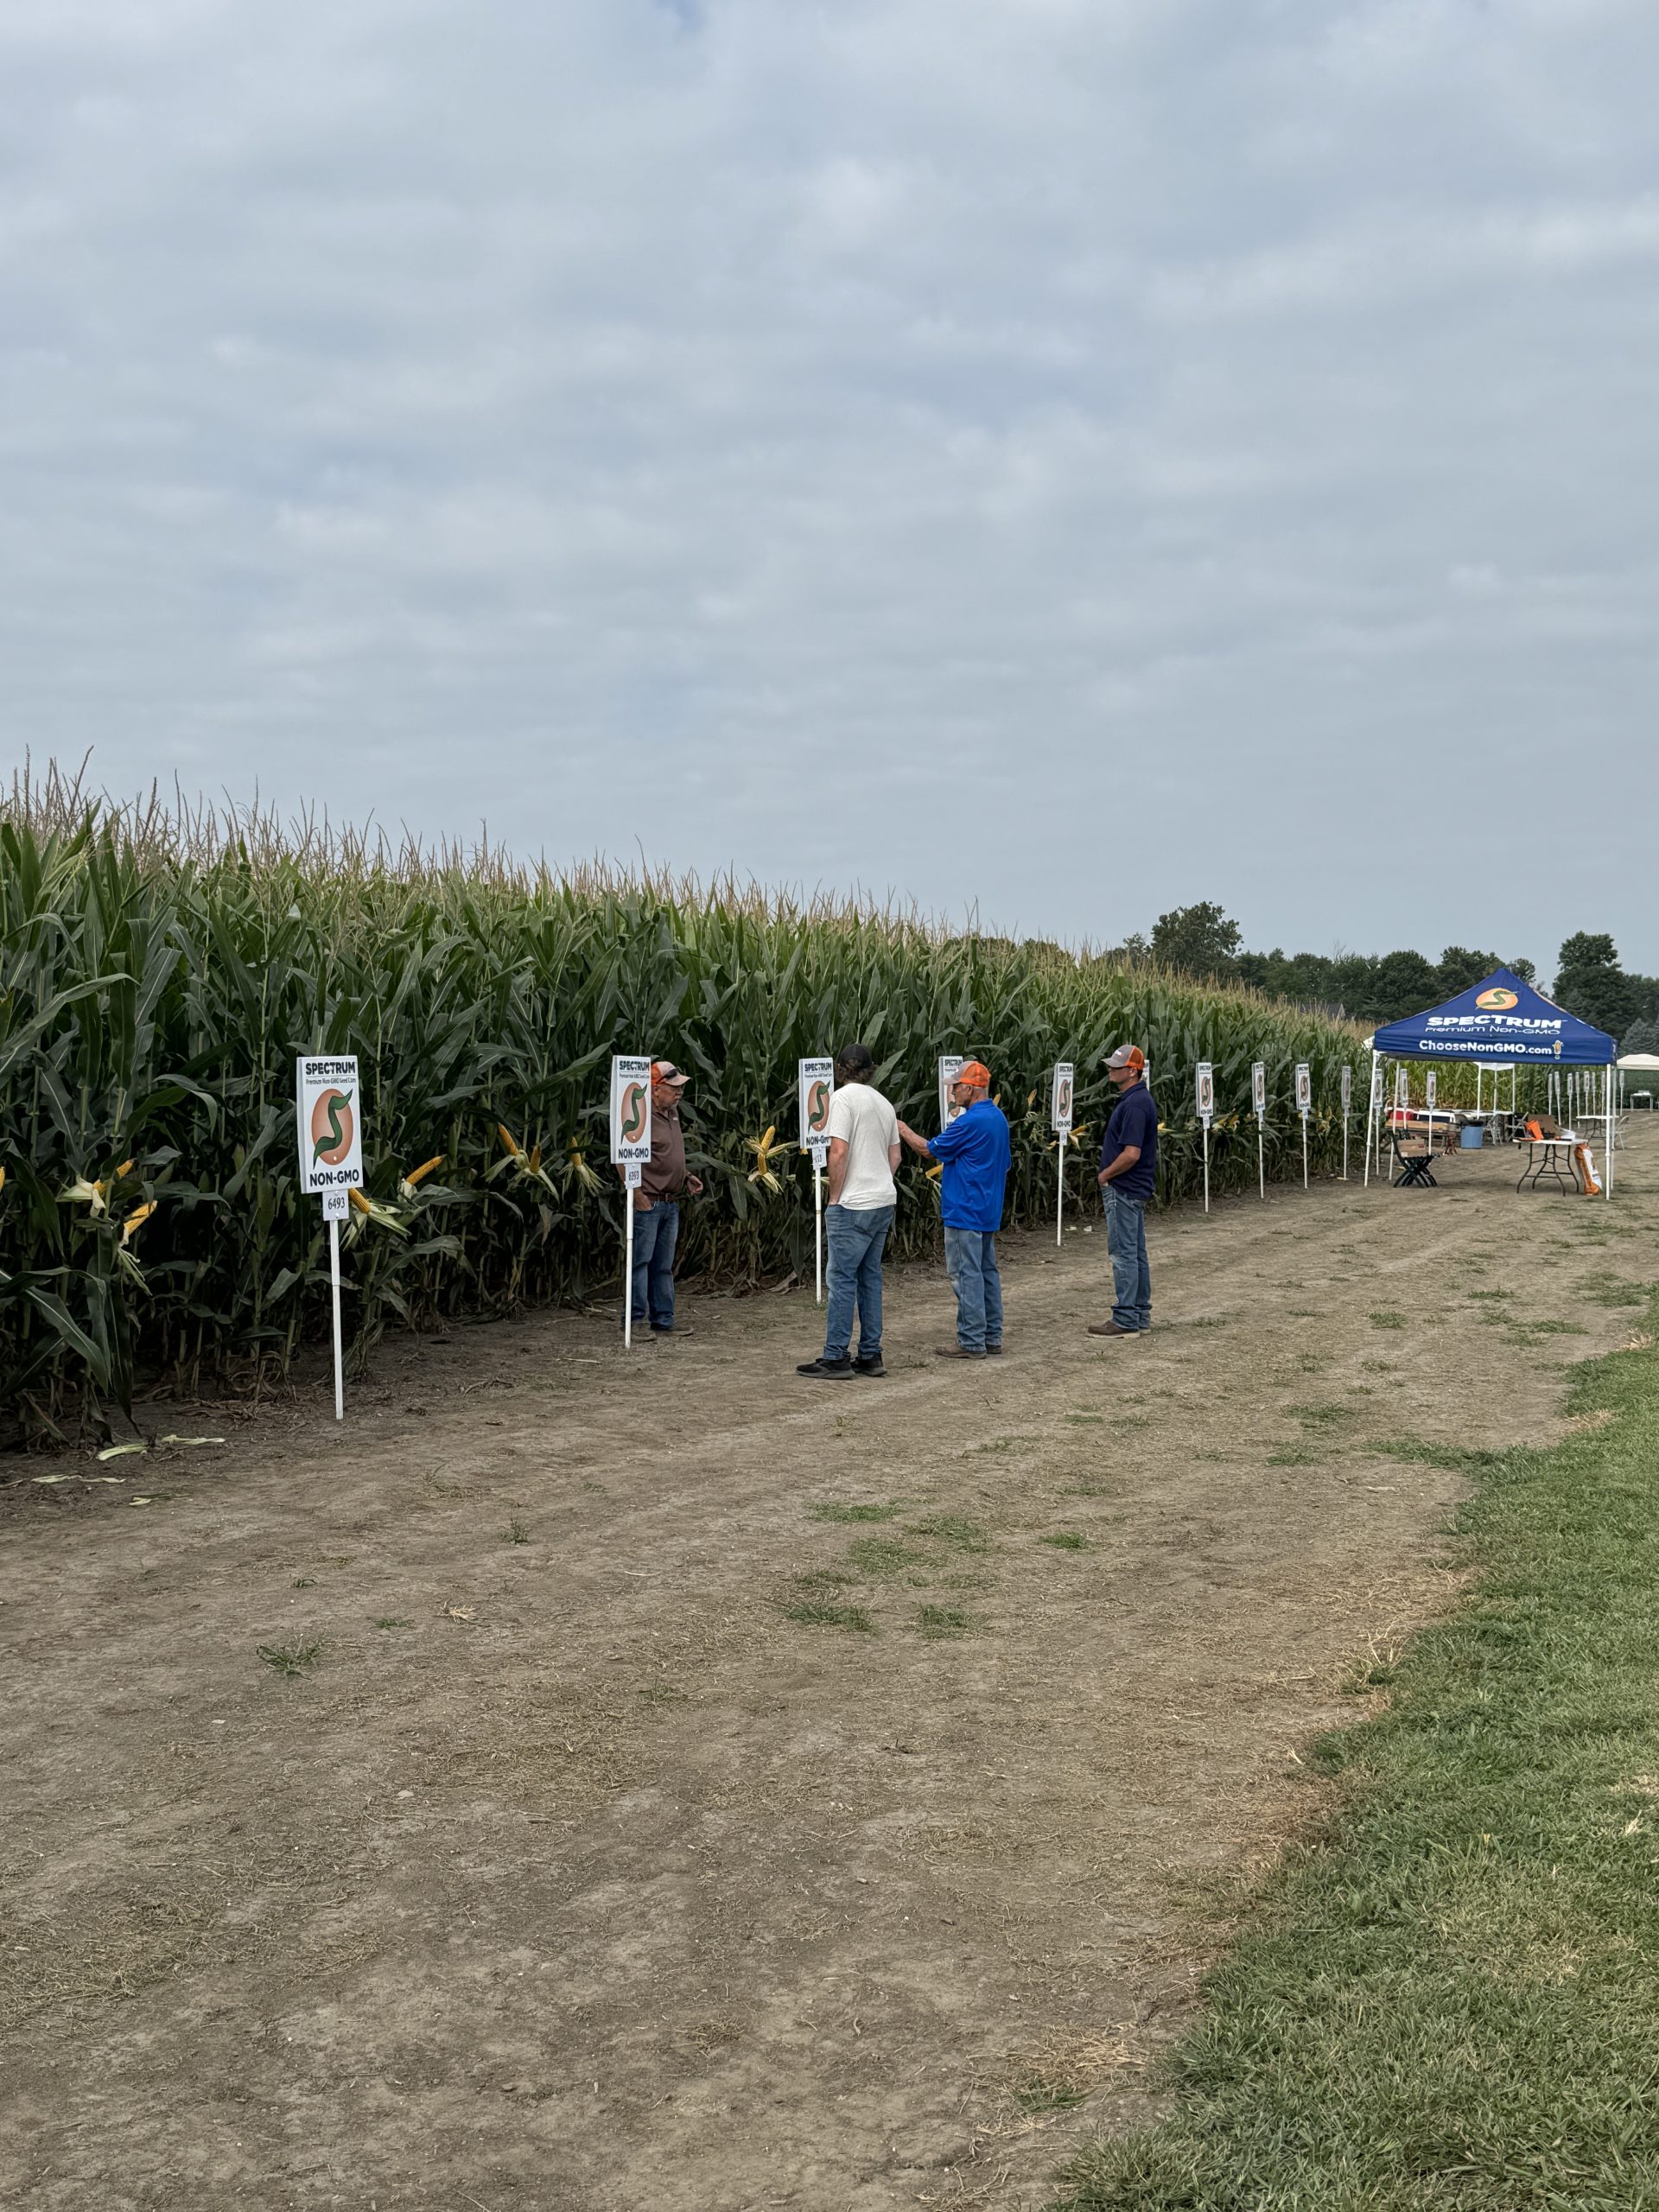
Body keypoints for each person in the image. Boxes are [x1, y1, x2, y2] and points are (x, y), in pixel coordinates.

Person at [797, 1042, 900, 1381]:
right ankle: (871, 1355)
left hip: (852, 1204)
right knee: (870, 1277)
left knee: (841, 1280)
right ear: (870, 1070)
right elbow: (895, 1157)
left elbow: (838, 1152)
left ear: (840, 1069)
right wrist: (879, 1179)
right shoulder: (884, 1103)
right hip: (883, 1200)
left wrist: (835, 1196)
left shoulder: (841, 1100)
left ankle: (836, 1356)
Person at [896, 1059, 1011, 1359]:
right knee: (987, 1272)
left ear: (970, 1089)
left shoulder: (969, 1122)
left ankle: (972, 1340)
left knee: (965, 1274)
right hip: (988, 1209)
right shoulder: (998, 1119)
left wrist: (902, 1128)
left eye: (956, 1088)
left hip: (964, 1209)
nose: (952, 1094)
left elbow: (928, 1149)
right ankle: (992, 1336)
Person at [619, 1061, 703, 1338]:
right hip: (649, 1202)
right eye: (673, 1087)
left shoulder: (673, 1113)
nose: (679, 1092)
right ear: (655, 1090)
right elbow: (620, 1156)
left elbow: (669, 1153)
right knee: (641, 1263)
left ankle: (663, 1320)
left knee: (663, 1266)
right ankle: (634, 1323)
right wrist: (636, 1195)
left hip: (670, 1202)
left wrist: (686, 1174)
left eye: (680, 1087)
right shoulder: (639, 1116)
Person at [1090, 1044, 1157, 1337]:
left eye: (1117, 1067)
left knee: (1124, 1253)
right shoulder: (1138, 1100)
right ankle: (1139, 1313)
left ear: (1133, 1071)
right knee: (1136, 1252)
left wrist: (1105, 1174)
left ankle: (1126, 1318)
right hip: (1133, 1187)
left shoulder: (1133, 1104)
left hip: (1124, 1187)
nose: (1110, 1071)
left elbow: (1131, 1153)